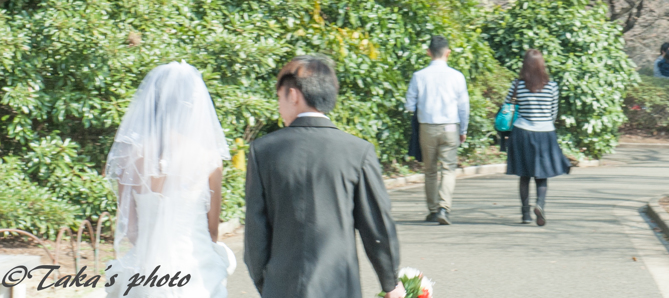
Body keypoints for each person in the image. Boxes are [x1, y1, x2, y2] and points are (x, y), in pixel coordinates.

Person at [245, 55, 404, 298]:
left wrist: (266, 283)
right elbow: (377, 227)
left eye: (279, 98)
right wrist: (390, 283)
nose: (279, 107)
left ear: (294, 95)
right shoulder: (357, 152)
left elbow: (255, 232)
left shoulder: (263, 151)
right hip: (339, 285)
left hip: (281, 287)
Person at [104, 62, 235, 298]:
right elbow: (212, 231)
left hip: (146, 271)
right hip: (195, 269)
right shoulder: (209, 158)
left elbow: (130, 229)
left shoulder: (129, 157)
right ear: (193, 106)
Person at [404, 35, 470, 225]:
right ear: (448, 53)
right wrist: (463, 129)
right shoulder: (457, 76)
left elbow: (409, 105)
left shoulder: (419, 76)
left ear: (428, 52)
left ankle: (433, 210)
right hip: (451, 126)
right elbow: (464, 107)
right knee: (448, 169)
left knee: (430, 170)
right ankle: (444, 207)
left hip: (427, 127)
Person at [504, 49, 572, 225]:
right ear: (542, 64)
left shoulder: (517, 85)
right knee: (542, 175)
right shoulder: (551, 86)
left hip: (522, 132)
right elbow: (553, 113)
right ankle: (540, 204)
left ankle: (525, 214)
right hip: (545, 133)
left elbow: (507, 106)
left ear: (524, 65)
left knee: (524, 175)